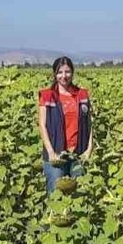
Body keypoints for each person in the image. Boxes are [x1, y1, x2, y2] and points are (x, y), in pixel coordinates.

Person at [37, 56, 93, 194]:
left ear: (72, 73)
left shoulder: (82, 95)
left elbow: (89, 124)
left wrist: (89, 149)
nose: (64, 76)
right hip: (56, 153)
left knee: (80, 192)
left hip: (78, 153)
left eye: (67, 72)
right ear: (55, 74)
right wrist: (50, 152)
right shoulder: (47, 95)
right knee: (56, 194)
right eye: (60, 72)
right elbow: (42, 125)